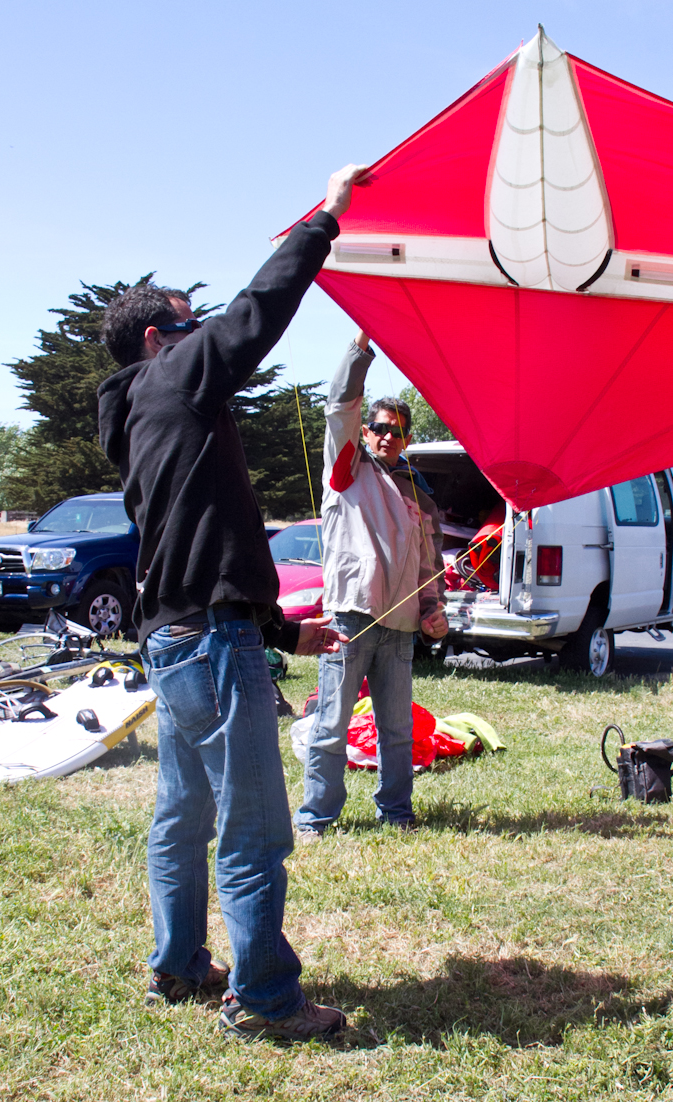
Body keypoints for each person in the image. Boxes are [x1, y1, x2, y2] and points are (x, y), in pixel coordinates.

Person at [97, 164, 366, 1043]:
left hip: (178, 641)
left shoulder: (142, 413)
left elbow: (196, 553)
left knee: (182, 814)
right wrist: (327, 217)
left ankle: (176, 966)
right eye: (185, 323)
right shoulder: (175, 380)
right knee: (253, 828)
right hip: (205, 646)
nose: (201, 330)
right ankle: (263, 1001)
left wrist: (282, 626)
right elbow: (259, 309)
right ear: (155, 340)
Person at [293, 331, 448, 840]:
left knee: (398, 732)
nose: (388, 437)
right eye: (380, 428)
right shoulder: (346, 470)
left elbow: (428, 563)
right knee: (331, 725)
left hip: (400, 630)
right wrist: (360, 349)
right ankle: (316, 817)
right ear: (366, 432)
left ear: (407, 439)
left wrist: (432, 608)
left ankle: (397, 812)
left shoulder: (417, 494)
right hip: (350, 620)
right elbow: (339, 406)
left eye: (399, 431)